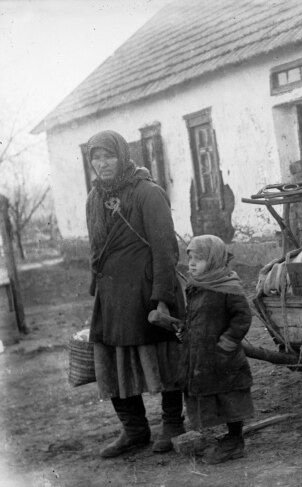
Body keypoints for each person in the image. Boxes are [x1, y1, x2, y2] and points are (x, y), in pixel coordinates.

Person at [85, 130, 186, 458]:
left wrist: (162, 298)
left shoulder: (147, 192)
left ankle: (172, 424)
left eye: (108, 156)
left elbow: (165, 249)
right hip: (112, 294)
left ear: (122, 156)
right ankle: (134, 429)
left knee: (163, 355)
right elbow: (96, 246)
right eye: (96, 158)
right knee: (111, 359)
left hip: (147, 290)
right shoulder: (94, 198)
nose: (103, 164)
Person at [182, 235, 254, 464]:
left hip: (224, 357)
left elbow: (242, 317)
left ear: (213, 260)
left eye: (199, 259)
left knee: (231, 397)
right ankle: (227, 438)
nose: (192, 263)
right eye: (190, 258)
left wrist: (227, 344)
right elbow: (194, 316)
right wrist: (185, 332)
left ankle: (235, 440)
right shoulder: (196, 286)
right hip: (203, 356)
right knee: (214, 396)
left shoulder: (228, 287)